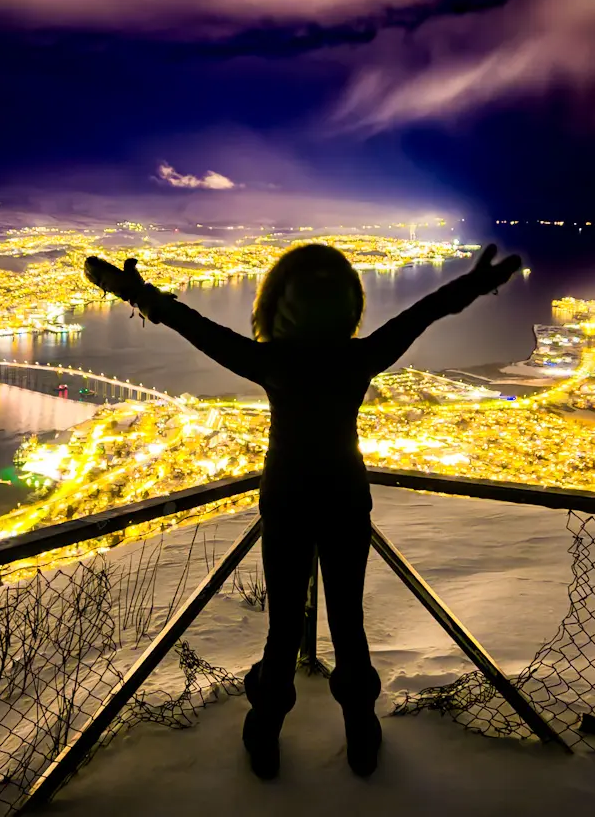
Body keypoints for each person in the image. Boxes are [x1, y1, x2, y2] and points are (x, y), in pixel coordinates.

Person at [83, 242, 521, 779]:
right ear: (345, 304)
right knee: (350, 626)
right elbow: (425, 312)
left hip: (288, 502)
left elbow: (188, 323)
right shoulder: (358, 357)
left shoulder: (272, 361)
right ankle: (361, 738)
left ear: (282, 305)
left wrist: (132, 289)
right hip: (345, 499)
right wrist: (473, 285)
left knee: (282, 630)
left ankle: (264, 738)